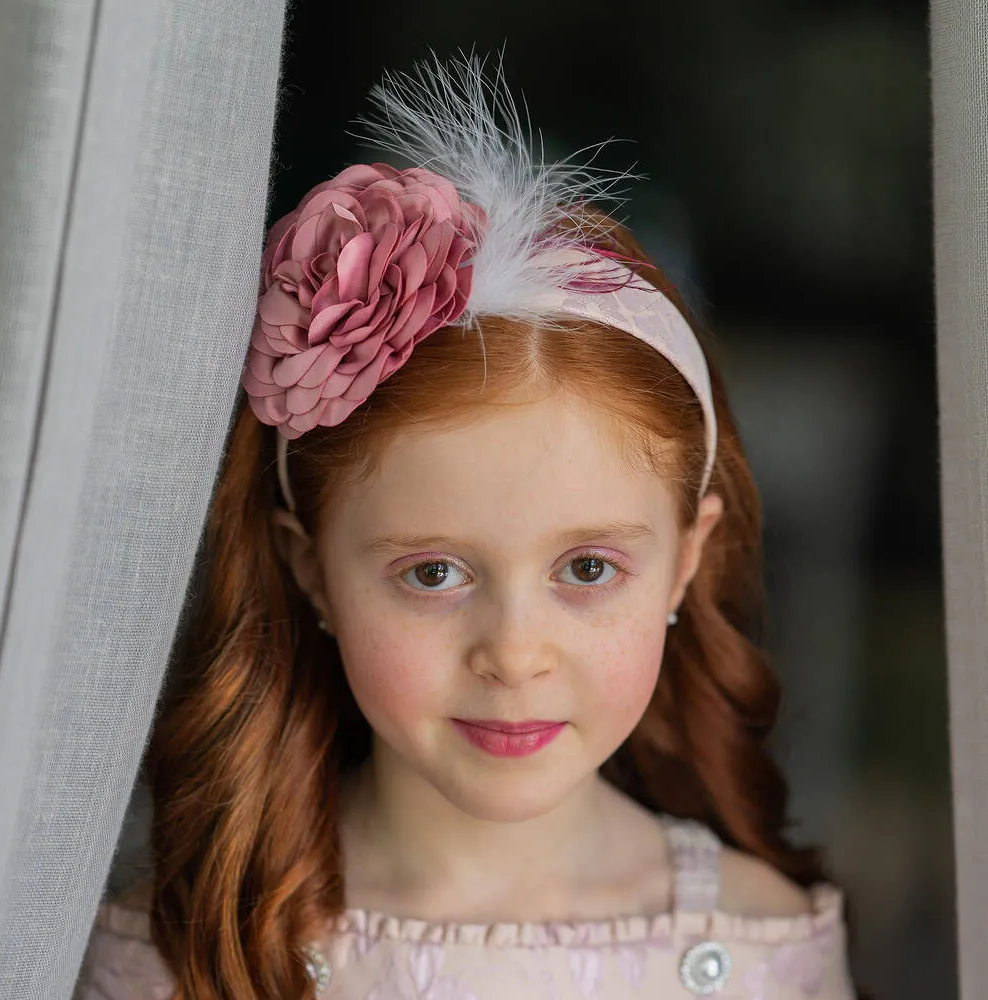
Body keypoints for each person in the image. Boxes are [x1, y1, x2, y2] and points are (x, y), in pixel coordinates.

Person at [74, 53, 857, 1000]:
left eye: (589, 568)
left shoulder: (760, 945)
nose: (515, 655)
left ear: (686, 561)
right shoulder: (187, 957)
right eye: (433, 574)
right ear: (311, 568)